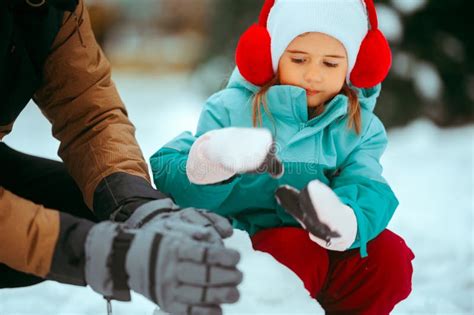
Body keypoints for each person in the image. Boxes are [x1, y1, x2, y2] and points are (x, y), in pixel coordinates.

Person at [150, 0, 415, 314]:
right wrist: (210, 164)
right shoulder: (229, 109)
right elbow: (174, 179)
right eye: (299, 59)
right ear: (273, 57)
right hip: (244, 251)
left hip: (320, 252)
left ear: (353, 66)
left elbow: (366, 182)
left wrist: (348, 219)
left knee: (387, 257)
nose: (313, 75)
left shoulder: (360, 128)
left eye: (330, 63)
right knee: (295, 249)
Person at [0, 1, 242, 314]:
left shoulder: (52, 7)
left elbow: (89, 115)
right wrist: (100, 254)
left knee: (91, 208)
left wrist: (138, 207)